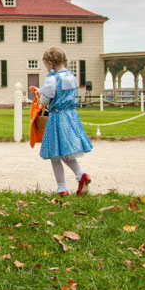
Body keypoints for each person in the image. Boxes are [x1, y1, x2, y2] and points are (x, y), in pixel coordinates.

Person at [37, 47, 93, 197]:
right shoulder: (71, 77)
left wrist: (39, 95)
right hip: (70, 116)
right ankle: (80, 174)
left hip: (57, 116)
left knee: (54, 154)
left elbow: (45, 99)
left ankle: (62, 187)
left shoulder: (52, 79)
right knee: (67, 151)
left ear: (50, 63)